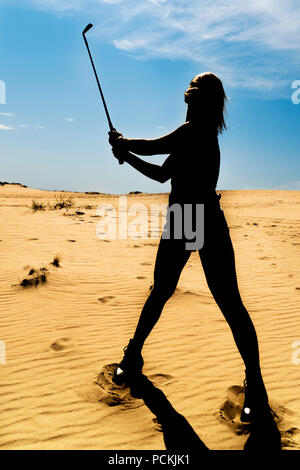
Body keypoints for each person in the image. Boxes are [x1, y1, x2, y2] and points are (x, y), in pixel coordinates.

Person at [108, 73, 281, 446]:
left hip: (190, 217)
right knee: (220, 302)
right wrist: (128, 156)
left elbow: (154, 148)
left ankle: (134, 355)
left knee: (171, 293)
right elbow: (160, 174)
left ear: (198, 100)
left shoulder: (192, 131)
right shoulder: (198, 134)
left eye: (192, 94)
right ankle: (254, 383)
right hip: (201, 217)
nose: (187, 99)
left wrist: (125, 145)